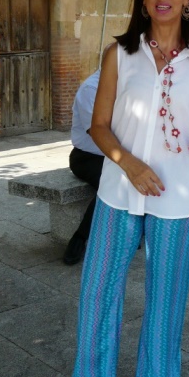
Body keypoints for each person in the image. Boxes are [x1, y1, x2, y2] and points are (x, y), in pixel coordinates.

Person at [47, 0, 189, 377]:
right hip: (117, 195)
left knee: (166, 307)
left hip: (179, 199)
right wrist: (129, 164)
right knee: (97, 298)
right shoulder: (119, 55)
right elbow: (98, 126)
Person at [62, 69, 105, 265]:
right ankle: (80, 238)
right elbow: (97, 132)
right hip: (87, 157)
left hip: (114, 156)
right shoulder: (91, 88)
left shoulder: (123, 85)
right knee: (114, 184)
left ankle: (133, 232)